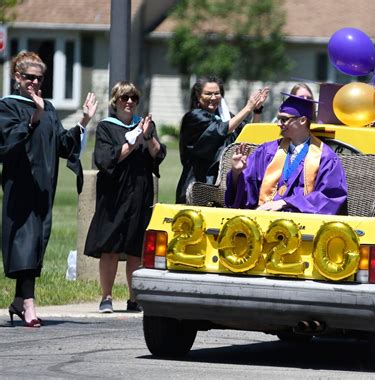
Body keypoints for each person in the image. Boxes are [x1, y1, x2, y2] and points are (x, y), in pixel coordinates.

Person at [0, 51, 98, 327]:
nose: (33, 82)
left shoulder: (49, 108)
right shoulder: (7, 107)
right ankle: (29, 304)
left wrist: (83, 121)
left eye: (39, 78)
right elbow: (8, 142)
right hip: (19, 185)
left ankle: (20, 302)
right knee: (25, 241)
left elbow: (64, 146)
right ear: (16, 77)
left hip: (44, 186)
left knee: (36, 242)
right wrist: (34, 116)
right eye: (28, 77)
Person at [84, 81, 167, 313]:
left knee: (135, 249)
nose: (129, 102)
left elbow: (158, 155)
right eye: (124, 97)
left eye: (133, 97)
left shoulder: (145, 125)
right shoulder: (106, 128)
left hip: (140, 194)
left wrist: (149, 136)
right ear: (115, 101)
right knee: (110, 248)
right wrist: (132, 140)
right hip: (114, 195)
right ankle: (106, 297)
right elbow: (106, 159)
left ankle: (134, 298)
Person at [225, 93, 347, 214]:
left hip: (302, 225)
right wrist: (236, 173)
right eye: (278, 119)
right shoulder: (267, 151)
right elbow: (246, 192)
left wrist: (285, 203)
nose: (278, 124)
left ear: (302, 120)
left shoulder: (324, 157)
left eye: (284, 119)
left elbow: (329, 198)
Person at [175, 75, 269, 204]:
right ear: (198, 95)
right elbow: (221, 130)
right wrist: (248, 107)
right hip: (198, 185)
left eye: (217, 93)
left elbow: (248, 132)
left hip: (223, 186)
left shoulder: (225, 116)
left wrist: (257, 110)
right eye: (208, 94)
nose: (213, 98)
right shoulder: (194, 117)